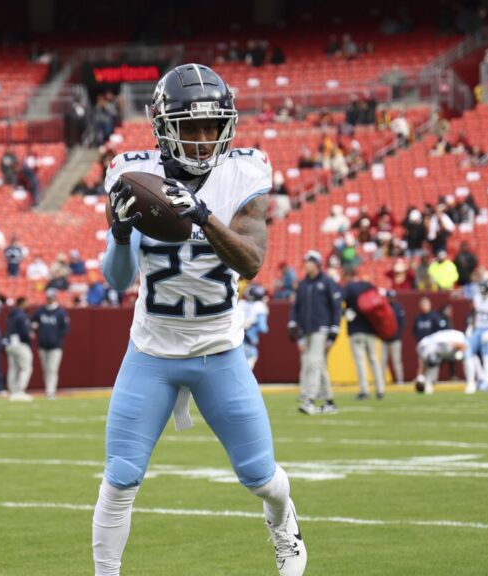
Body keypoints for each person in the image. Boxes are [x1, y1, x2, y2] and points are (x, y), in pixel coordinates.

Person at [94, 64, 306, 576]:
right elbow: (117, 280)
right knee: (120, 477)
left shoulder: (244, 174)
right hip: (152, 352)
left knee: (260, 476)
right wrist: (120, 235)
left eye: (213, 126)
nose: (205, 138)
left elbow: (251, 263)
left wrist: (202, 215)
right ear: (164, 126)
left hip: (219, 351)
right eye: (192, 126)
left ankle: (284, 524)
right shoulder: (133, 175)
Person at [289, 250, 342, 415]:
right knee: (318, 364)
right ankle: (329, 402)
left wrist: (335, 328)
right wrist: (293, 324)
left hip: (322, 328)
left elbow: (336, 307)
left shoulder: (327, 282)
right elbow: (296, 307)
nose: (306, 265)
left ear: (317, 264)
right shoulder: (303, 284)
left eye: (309, 262)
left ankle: (310, 399)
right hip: (307, 330)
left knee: (313, 362)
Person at [343, 275, 386, 400]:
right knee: (374, 359)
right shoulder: (369, 286)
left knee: (360, 361)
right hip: (371, 329)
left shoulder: (349, 288)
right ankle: (380, 389)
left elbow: (339, 300)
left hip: (356, 329)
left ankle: (364, 390)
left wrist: (345, 312)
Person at [32, 288, 70, 399]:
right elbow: (33, 322)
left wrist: (56, 338)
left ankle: (51, 391)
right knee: (46, 369)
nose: (49, 299)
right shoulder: (40, 311)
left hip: (55, 346)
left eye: (51, 297)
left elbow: (65, 329)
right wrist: (36, 330)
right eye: (48, 297)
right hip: (43, 345)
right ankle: (48, 389)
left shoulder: (60, 312)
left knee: (52, 369)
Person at [414, 329, 472, 395]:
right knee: (432, 367)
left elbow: (464, 346)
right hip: (437, 345)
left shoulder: (445, 344)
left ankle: (471, 383)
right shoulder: (422, 347)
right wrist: (420, 379)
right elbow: (422, 366)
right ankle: (429, 384)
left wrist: (460, 353)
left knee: (468, 356)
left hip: (460, 338)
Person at [4, 297, 34, 401]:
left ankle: (13, 391)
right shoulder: (22, 316)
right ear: (22, 303)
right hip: (20, 344)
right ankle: (20, 391)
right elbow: (25, 332)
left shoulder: (11, 315)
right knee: (26, 368)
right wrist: (30, 334)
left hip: (10, 343)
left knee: (13, 368)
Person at [241, 284, 270, 369]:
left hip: (235, 343)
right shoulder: (259, 306)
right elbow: (263, 328)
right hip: (248, 342)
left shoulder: (241, 303)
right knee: (247, 368)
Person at [381, 290, 405, 386]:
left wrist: (397, 334)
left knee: (396, 361)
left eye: (392, 297)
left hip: (395, 339)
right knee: (383, 361)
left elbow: (402, 323)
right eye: (389, 297)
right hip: (385, 339)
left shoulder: (398, 307)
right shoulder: (383, 307)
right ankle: (380, 380)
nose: (391, 299)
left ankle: (400, 380)